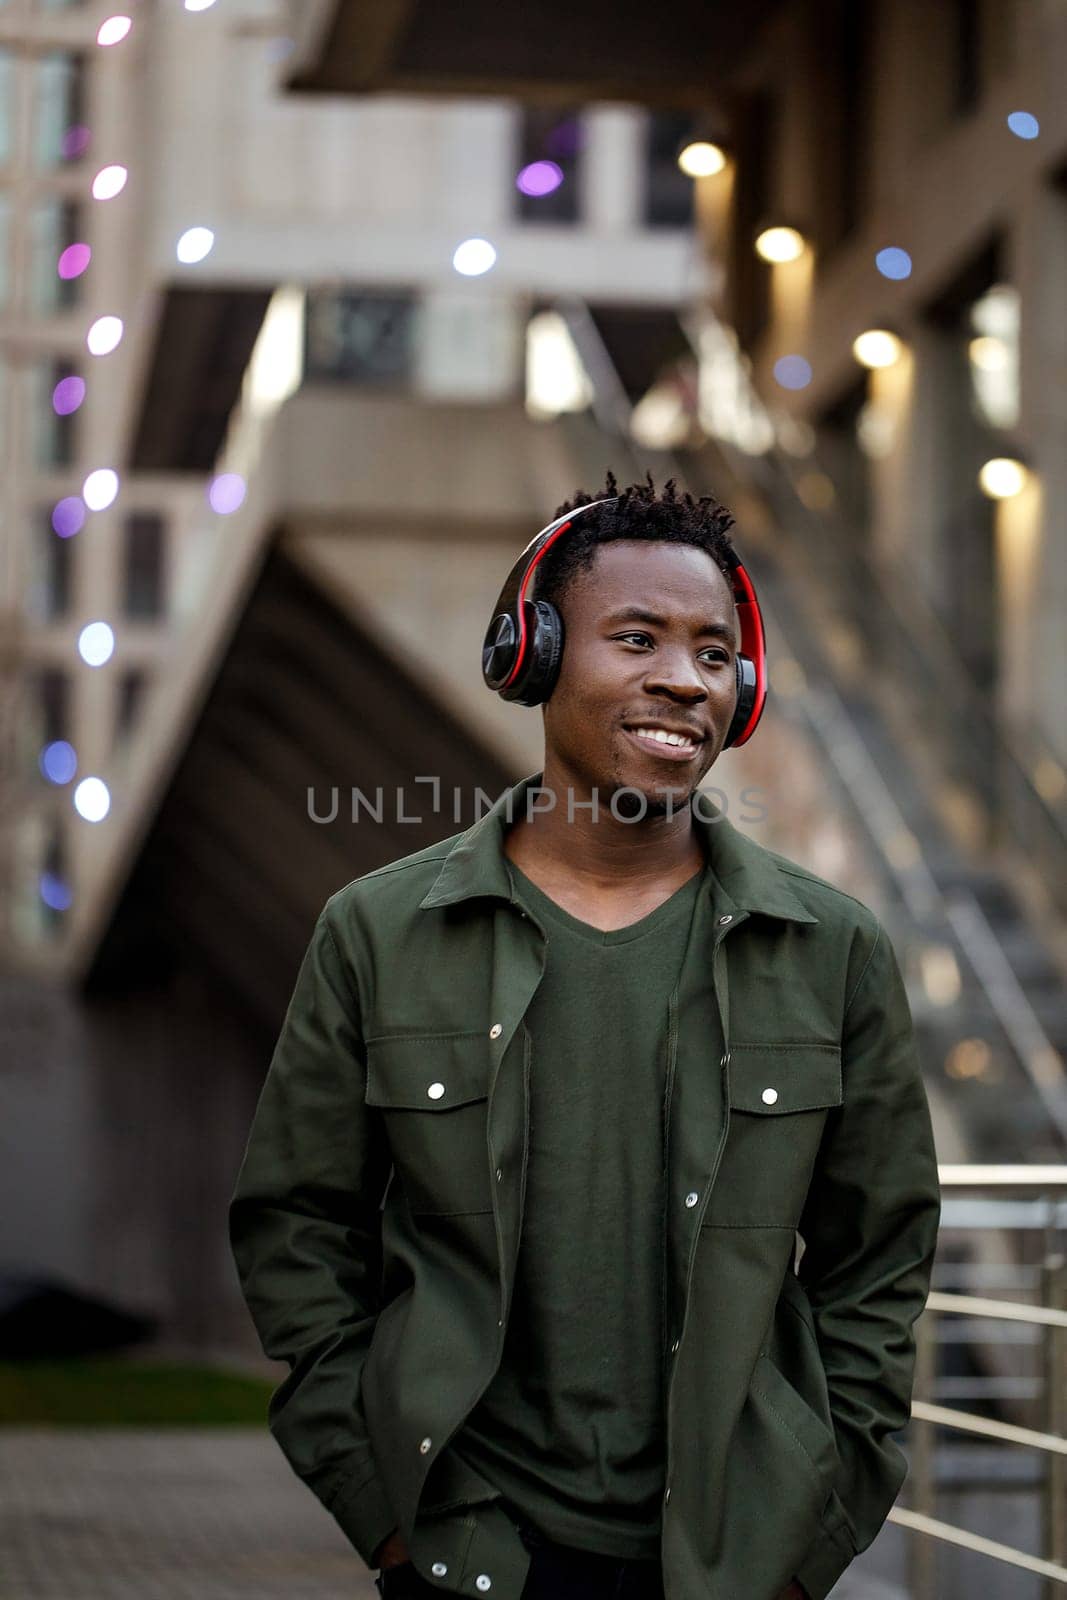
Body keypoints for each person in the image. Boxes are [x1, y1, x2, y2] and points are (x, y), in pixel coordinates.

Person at [229, 473, 941, 1600]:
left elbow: (879, 1257)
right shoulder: (376, 933)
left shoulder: (830, 947)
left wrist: (817, 1529)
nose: (681, 680)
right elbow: (298, 1228)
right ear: (533, 650)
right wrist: (382, 1515)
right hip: (469, 1552)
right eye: (636, 637)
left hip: (738, 1560)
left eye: (713, 653)